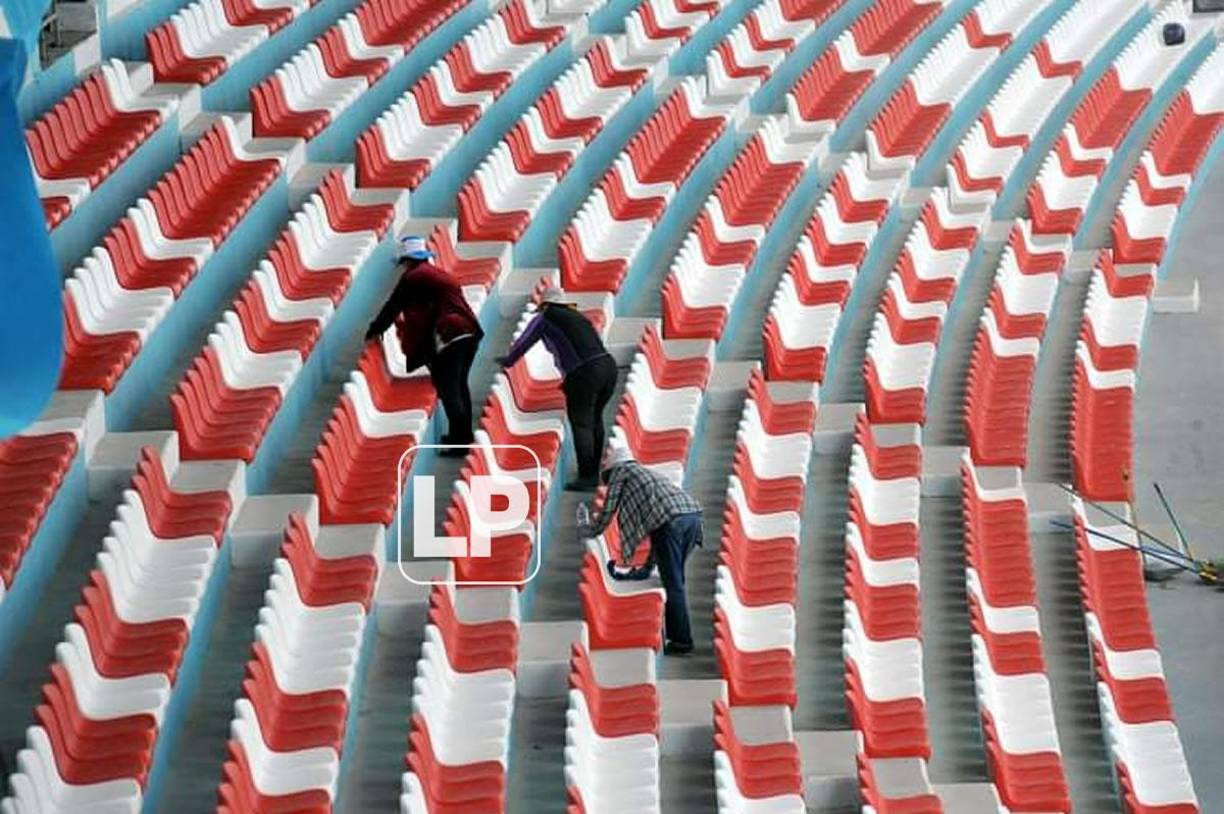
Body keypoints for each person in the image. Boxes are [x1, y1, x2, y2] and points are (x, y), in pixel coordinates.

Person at [578, 445, 703, 655]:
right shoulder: (646, 475)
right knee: (675, 580)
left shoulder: (621, 472)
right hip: (692, 517)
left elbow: (609, 510)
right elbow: (659, 529)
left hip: (673, 523)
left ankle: (682, 641)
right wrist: (647, 568)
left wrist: (589, 529)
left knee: (673, 583)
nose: (609, 483)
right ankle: (679, 637)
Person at [365, 236, 483, 455]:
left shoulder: (414, 278)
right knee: (460, 386)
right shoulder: (435, 274)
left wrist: (375, 329)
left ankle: (460, 444)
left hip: (451, 334)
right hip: (470, 331)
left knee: (449, 390)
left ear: (407, 260)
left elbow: (393, 305)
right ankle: (463, 436)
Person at [495, 286, 617, 490]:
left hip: (584, 373)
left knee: (581, 423)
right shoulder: (577, 316)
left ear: (544, 305)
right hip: (608, 367)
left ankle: (587, 476)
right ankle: (595, 470)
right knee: (595, 418)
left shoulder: (545, 318)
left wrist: (507, 361)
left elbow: (524, 343)